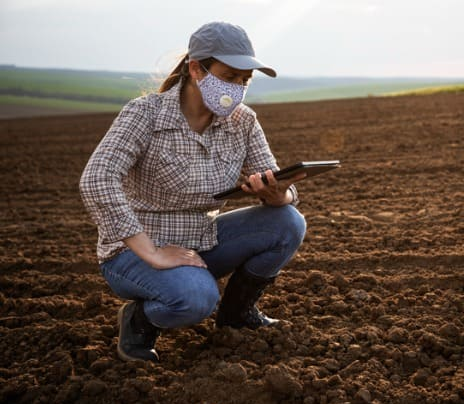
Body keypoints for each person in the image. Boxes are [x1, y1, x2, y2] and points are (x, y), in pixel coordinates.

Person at [79, 21, 306, 363]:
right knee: (196, 300)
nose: (237, 88)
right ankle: (139, 320)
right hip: (134, 253)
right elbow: (96, 179)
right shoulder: (145, 114)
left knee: (288, 221)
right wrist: (153, 253)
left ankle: (237, 316)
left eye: (245, 80)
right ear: (197, 69)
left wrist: (278, 194)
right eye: (229, 77)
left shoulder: (242, 122)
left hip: (202, 242)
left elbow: (280, 186)